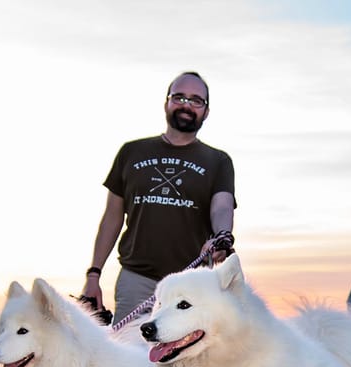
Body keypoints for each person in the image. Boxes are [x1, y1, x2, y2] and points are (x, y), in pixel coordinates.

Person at [82, 71, 237, 324]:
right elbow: (111, 218)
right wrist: (93, 275)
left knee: (186, 361)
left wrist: (222, 237)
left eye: (196, 100)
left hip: (190, 283)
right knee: (127, 358)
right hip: (136, 280)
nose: (186, 105)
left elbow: (222, 206)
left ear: (206, 112)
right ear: (166, 102)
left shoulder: (218, 161)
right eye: (179, 97)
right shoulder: (131, 152)